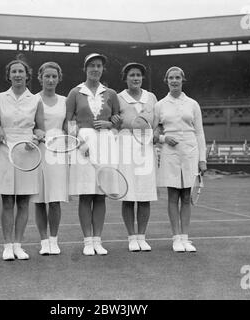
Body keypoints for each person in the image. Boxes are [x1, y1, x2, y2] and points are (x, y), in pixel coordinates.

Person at [65, 53, 120, 256]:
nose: (95, 69)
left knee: (100, 196)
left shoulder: (111, 93)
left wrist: (110, 124)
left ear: (102, 69)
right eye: (91, 66)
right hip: (83, 145)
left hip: (105, 144)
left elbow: (118, 119)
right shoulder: (75, 92)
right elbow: (68, 121)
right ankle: (87, 241)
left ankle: (98, 239)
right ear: (85, 68)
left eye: (98, 66)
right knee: (86, 195)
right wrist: (79, 143)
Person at [0, 59, 45, 261]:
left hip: (27, 151)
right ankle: (7, 246)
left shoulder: (35, 100)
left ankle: (18, 245)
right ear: (9, 75)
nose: (17, 75)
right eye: (13, 71)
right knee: (7, 201)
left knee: (23, 202)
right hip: (5, 150)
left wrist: (37, 137)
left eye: (20, 71)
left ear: (27, 75)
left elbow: (40, 128)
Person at [154, 66, 207, 252]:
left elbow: (199, 133)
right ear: (166, 80)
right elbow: (154, 134)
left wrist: (203, 159)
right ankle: (176, 238)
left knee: (186, 196)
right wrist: (163, 138)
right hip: (170, 154)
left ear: (183, 80)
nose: (174, 81)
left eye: (177, 77)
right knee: (173, 195)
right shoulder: (159, 105)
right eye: (171, 78)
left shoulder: (193, 104)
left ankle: (185, 238)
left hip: (190, 153)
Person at [113, 62, 158, 252]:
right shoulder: (117, 97)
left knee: (145, 195)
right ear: (126, 78)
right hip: (126, 147)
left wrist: (156, 133)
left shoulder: (152, 97)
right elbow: (113, 123)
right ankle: (132, 237)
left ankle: (142, 236)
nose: (135, 78)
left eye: (138, 75)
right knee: (129, 195)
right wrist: (115, 123)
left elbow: (157, 123)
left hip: (146, 149)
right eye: (131, 75)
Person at [31, 62, 68, 255]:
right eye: (47, 76)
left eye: (54, 76)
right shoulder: (33, 99)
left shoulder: (65, 100)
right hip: (38, 151)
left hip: (58, 153)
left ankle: (54, 240)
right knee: (39, 200)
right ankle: (44, 241)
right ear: (40, 78)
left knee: (55, 200)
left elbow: (69, 127)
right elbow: (31, 125)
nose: (50, 80)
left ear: (59, 78)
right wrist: (37, 133)